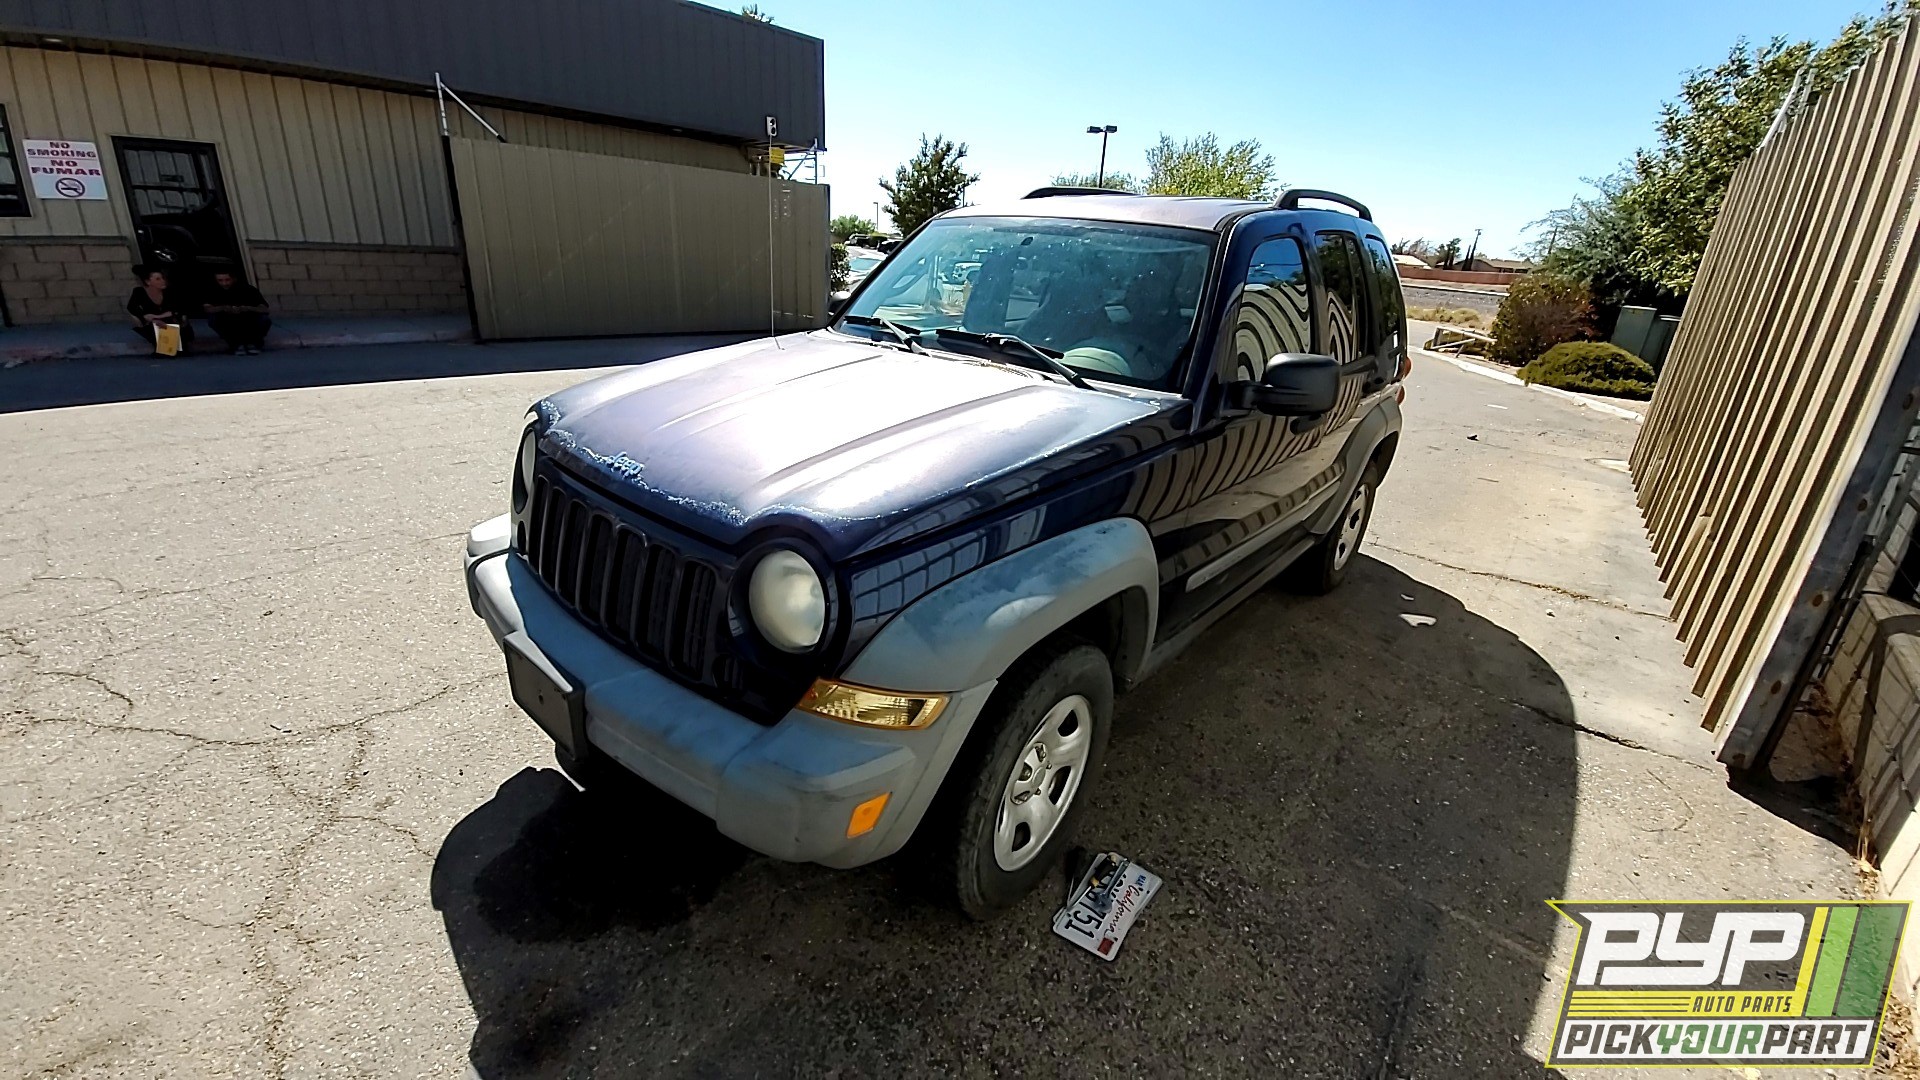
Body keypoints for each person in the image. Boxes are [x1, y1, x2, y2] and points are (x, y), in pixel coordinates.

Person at [203, 270, 272, 355]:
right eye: (220, 281)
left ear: (234, 279)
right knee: (213, 320)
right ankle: (235, 344)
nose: (224, 283)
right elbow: (207, 309)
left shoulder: (248, 289)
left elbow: (264, 309)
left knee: (264, 319)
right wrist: (223, 308)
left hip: (249, 318)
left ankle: (254, 342)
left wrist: (247, 308)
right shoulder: (213, 291)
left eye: (227, 280)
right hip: (226, 319)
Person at [126, 267, 194, 351]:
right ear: (148, 281)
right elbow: (131, 307)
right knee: (156, 332)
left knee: (174, 332)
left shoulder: (170, 291)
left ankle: (174, 345)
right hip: (153, 322)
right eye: (158, 279)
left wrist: (159, 317)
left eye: (162, 278)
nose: (163, 281)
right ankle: (166, 346)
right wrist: (147, 318)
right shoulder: (139, 292)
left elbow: (179, 308)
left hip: (171, 320)